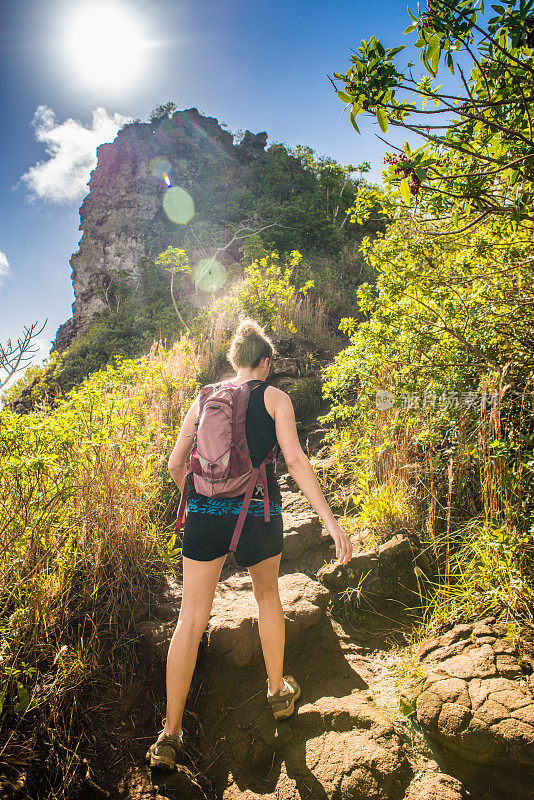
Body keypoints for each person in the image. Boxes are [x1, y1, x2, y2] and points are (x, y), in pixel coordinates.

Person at [147, 319, 353, 770]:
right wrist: (331, 522)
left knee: (190, 618)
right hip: (259, 513)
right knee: (266, 597)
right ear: (265, 363)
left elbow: (175, 463)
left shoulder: (203, 397)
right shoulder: (276, 397)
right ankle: (277, 692)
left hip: (203, 513)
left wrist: (203, 501)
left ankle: (169, 734)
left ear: (233, 362)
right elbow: (295, 460)